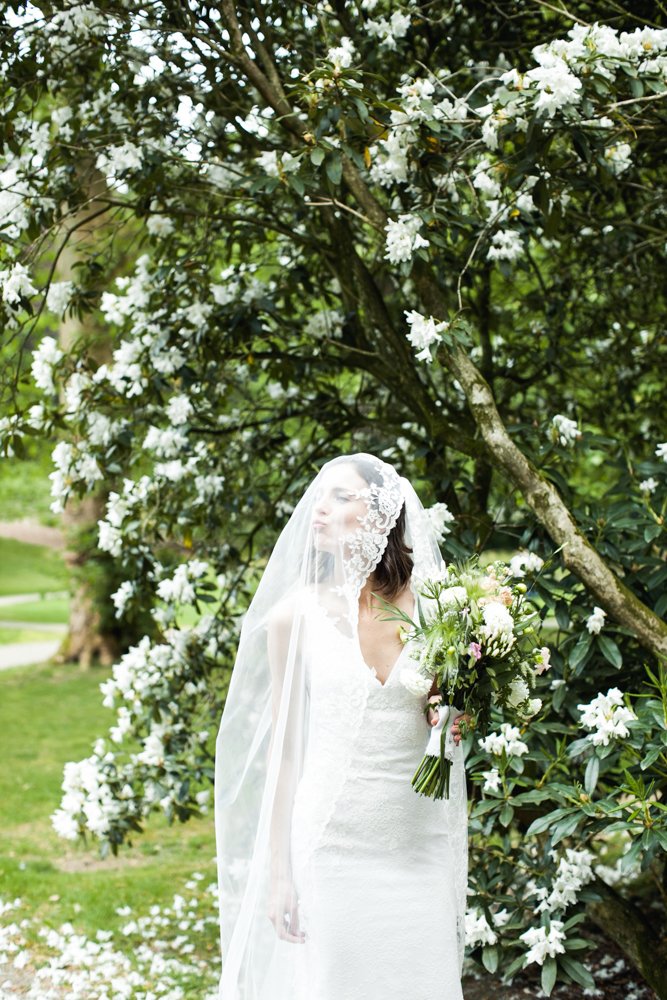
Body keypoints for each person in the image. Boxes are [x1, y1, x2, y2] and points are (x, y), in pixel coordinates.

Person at [214, 453, 467, 1000]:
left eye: (340, 497)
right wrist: (280, 872)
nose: (318, 511)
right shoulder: (294, 617)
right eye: (319, 496)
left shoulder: (439, 610)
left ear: (381, 515)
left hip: (417, 844)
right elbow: (285, 753)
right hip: (331, 846)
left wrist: (456, 713)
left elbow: (456, 712)